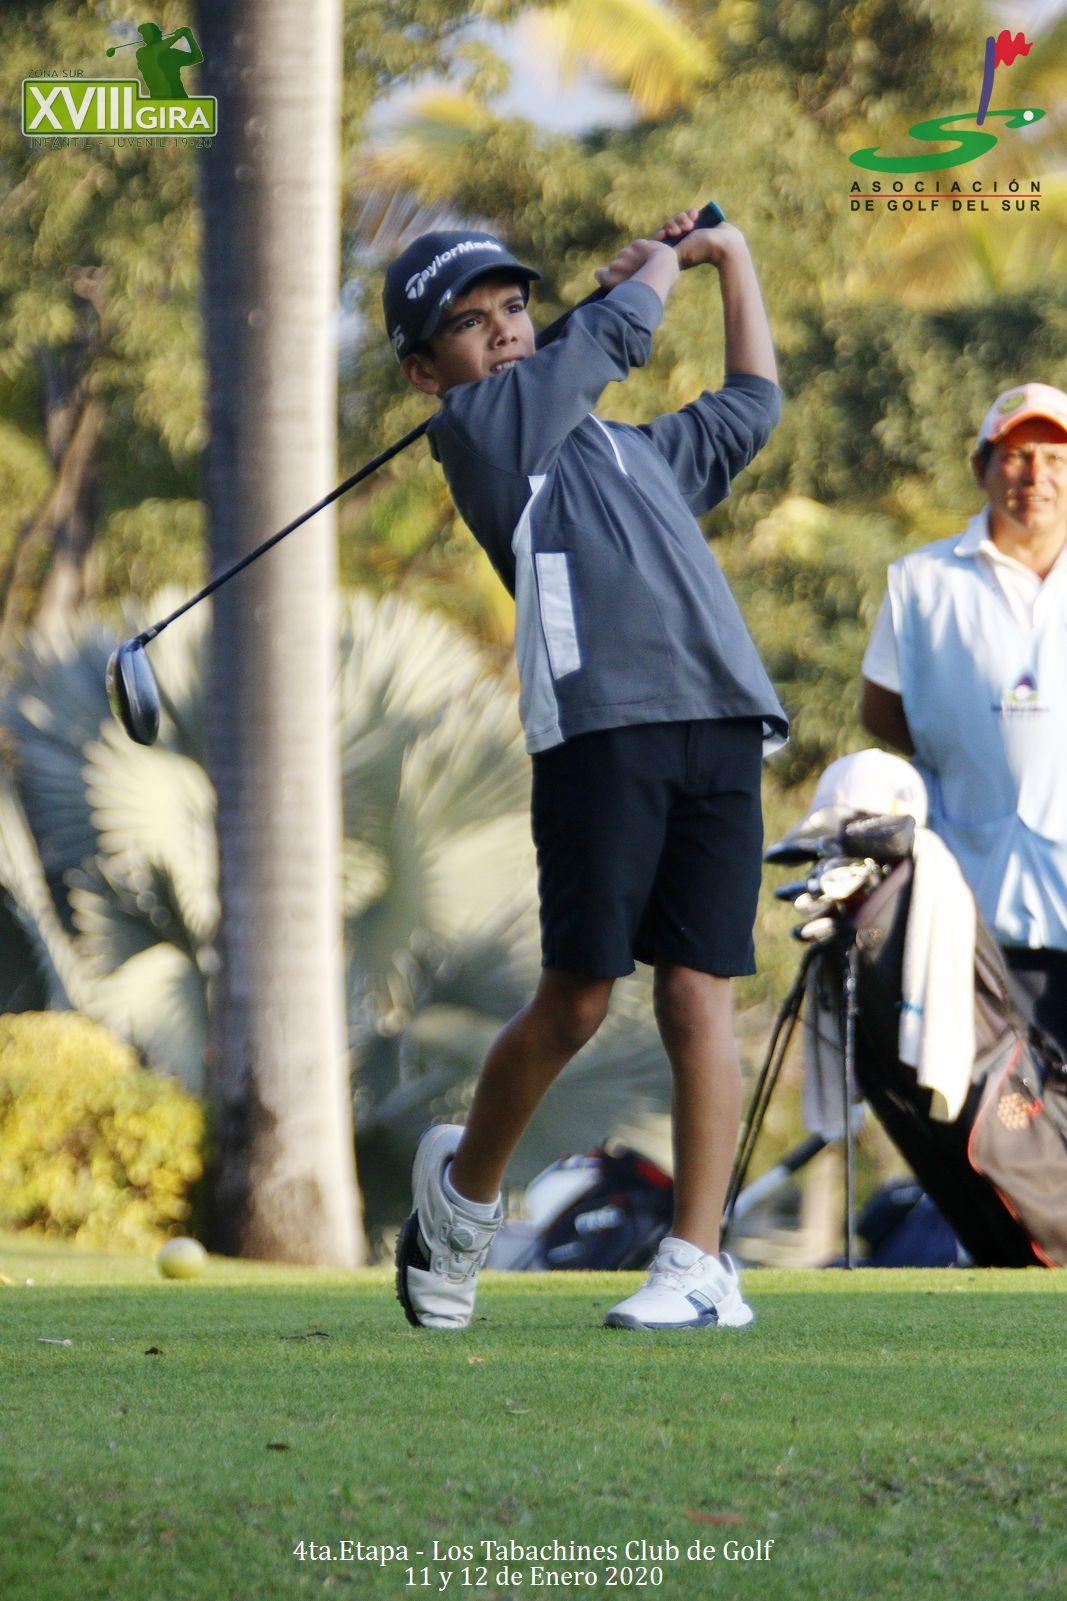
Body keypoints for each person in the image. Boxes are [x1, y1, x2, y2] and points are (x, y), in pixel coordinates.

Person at [383, 209, 787, 1331]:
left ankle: (698, 1262)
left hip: (721, 718)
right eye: (469, 324)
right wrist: (654, 271)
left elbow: (750, 405)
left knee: (699, 989)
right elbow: (608, 339)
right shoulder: (479, 436)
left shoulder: (633, 451)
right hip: (601, 730)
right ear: (426, 371)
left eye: (514, 308)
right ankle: (462, 1200)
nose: (503, 332)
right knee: (576, 999)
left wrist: (730, 261)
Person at [861, 383, 1067, 1054]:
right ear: (981, 468)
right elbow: (880, 710)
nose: (1034, 476)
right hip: (971, 911)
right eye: (1016, 456)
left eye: (1055, 459)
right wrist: (968, 751)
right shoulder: (922, 580)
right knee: (998, 1110)